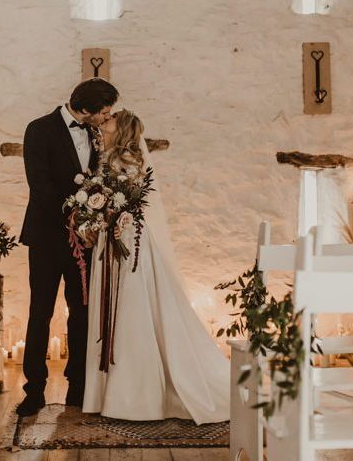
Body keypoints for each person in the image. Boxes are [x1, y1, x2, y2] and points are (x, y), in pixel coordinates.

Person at [82, 109, 230, 424]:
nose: (102, 121)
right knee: (119, 307)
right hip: (113, 236)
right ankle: (114, 392)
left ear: (118, 129)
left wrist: (115, 215)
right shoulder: (105, 157)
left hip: (129, 239)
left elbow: (133, 200)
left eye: (108, 120)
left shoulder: (127, 160)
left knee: (132, 308)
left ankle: (136, 396)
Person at [17, 78, 119, 417]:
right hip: (47, 237)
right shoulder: (39, 129)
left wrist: (94, 219)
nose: (105, 118)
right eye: (101, 112)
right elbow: (39, 184)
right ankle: (34, 391)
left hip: (86, 241)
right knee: (40, 313)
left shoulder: (96, 133)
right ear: (84, 109)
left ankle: (79, 387)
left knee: (82, 313)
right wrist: (74, 216)